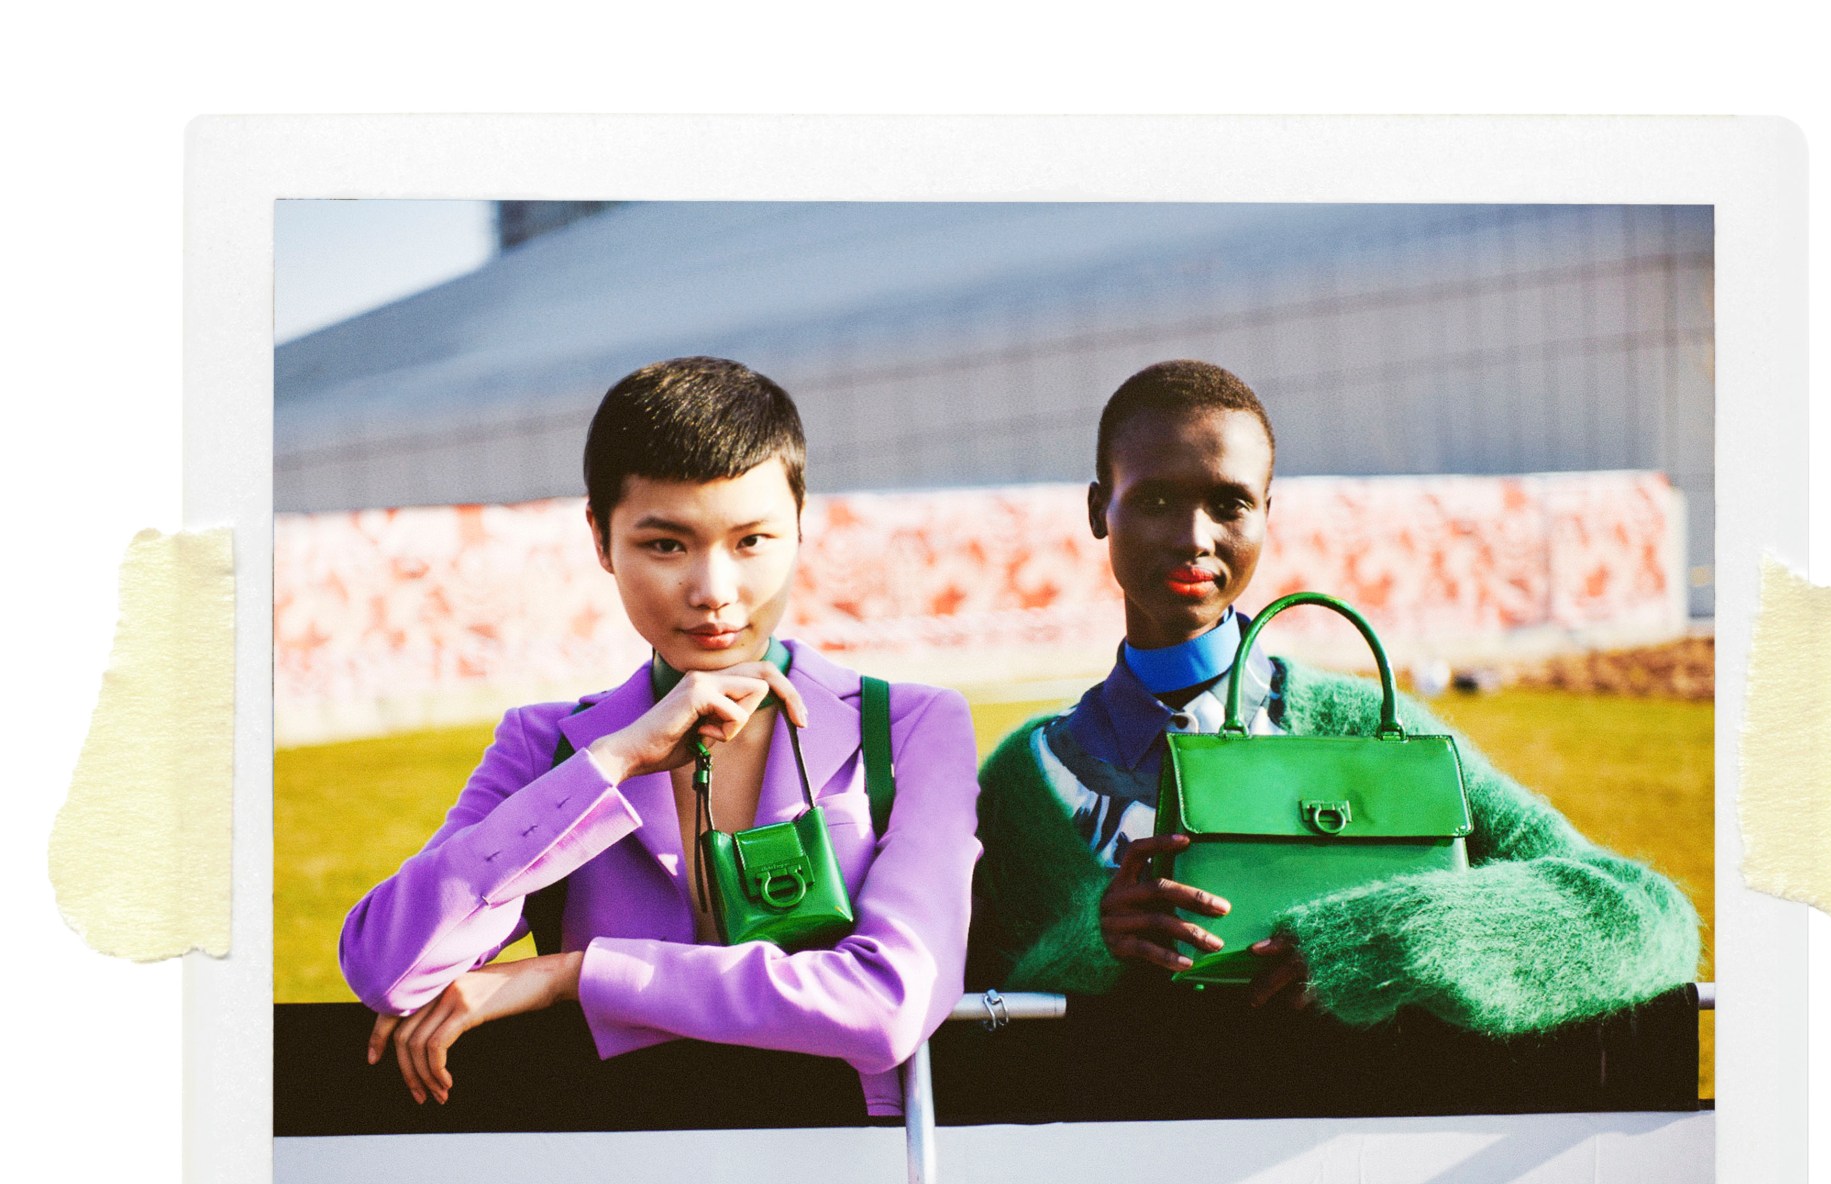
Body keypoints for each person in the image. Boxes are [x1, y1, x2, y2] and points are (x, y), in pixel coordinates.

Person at [966, 360, 1699, 1051]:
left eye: (1230, 503)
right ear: (1100, 509)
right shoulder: (1027, 782)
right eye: (1156, 499)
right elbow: (964, 1024)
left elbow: (1648, 918)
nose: (1195, 538)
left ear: (1266, 515)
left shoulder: (1371, 732)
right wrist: (1091, 940)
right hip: (1126, 1171)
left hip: (1354, 1166)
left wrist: (1397, 933)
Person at [341, 357, 981, 1119]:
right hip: (620, 1174)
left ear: (801, 527)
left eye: (752, 541)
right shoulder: (545, 744)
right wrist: (614, 760)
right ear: (601, 540)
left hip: (848, 1172)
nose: (714, 592)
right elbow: (388, 968)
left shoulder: (909, 727)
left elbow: (887, 1007)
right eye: (667, 545)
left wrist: (576, 974)